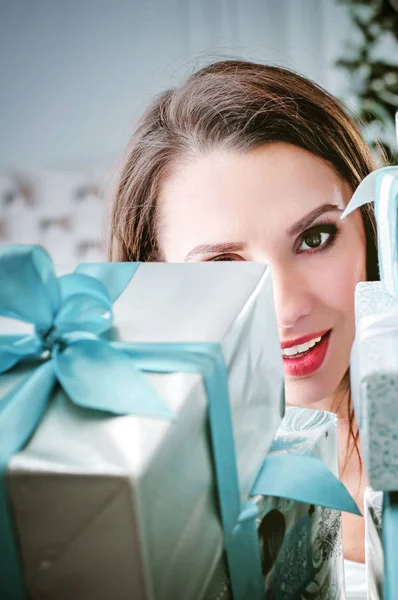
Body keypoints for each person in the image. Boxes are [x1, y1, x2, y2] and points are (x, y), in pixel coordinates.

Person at [109, 60, 379, 599]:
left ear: (371, 229)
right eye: (224, 265)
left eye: (316, 238)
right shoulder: (135, 504)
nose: (285, 307)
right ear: (153, 278)